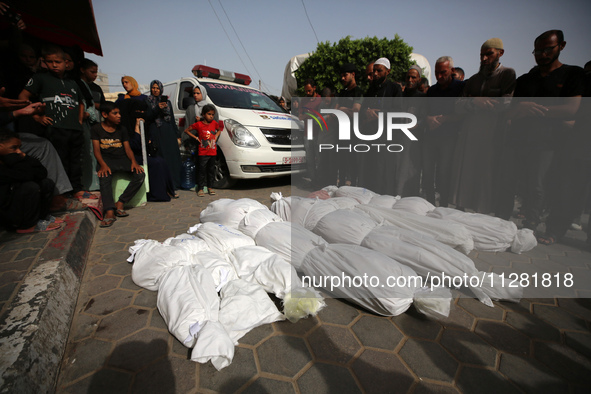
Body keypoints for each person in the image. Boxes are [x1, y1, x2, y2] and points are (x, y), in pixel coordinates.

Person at [508, 30, 584, 242]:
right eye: (537, 51)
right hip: (522, 139)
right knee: (521, 183)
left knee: (539, 185)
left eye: (547, 49)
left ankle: (531, 226)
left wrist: (534, 109)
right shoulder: (525, 80)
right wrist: (522, 108)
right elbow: (512, 112)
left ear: (562, 45)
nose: (542, 54)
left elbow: (571, 109)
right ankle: (511, 221)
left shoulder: (572, 74)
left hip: (552, 143)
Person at [450, 38, 516, 214]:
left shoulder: (507, 75)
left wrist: (476, 103)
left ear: (500, 53)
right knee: (465, 177)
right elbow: (457, 106)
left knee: (486, 179)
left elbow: (506, 103)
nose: (484, 59)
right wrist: (476, 101)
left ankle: (484, 217)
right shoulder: (473, 80)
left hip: (492, 136)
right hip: (469, 135)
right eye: (482, 55)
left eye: (489, 54)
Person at [18, 45, 85, 197]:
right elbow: (22, 98)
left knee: (75, 161)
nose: (54, 65)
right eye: (50, 61)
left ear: (66, 63)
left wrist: (79, 120)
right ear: (44, 62)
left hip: (74, 129)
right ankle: (61, 193)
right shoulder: (40, 78)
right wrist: (36, 116)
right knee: (59, 160)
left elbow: (81, 102)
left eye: (58, 61)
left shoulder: (72, 83)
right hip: (55, 127)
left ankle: (77, 189)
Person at [91, 102, 145, 227]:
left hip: (121, 159)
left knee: (140, 175)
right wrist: (103, 165)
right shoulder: (96, 129)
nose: (119, 116)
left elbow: (128, 149)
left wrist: (134, 162)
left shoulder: (122, 129)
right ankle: (109, 211)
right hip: (106, 160)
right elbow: (96, 150)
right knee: (104, 178)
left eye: (119, 113)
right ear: (105, 114)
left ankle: (120, 203)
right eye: (115, 113)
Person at [423, 56, 465, 207]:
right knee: (427, 173)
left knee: (444, 174)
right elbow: (425, 112)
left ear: (452, 71)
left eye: (443, 72)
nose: (439, 76)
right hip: (431, 137)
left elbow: (464, 113)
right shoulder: (432, 90)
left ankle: (444, 206)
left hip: (449, 138)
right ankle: (429, 204)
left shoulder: (461, 88)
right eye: (436, 73)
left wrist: (445, 118)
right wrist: (429, 119)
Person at [0, 128, 61, 233]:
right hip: (6, 211)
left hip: (16, 204)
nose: (19, 152)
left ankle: (41, 218)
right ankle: (26, 226)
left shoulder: (16, 158)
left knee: (46, 183)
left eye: (19, 147)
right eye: (14, 148)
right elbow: (24, 175)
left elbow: (42, 172)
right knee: (30, 187)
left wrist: (26, 157)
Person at [145, 80, 182, 190]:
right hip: (156, 132)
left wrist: (177, 134)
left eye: (157, 88)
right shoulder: (148, 101)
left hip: (168, 132)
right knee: (161, 158)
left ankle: (174, 184)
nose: (155, 90)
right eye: (153, 88)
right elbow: (148, 118)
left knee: (172, 158)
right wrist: (157, 108)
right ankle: (163, 185)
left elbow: (171, 120)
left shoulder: (168, 102)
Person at [185, 104, 223, 197]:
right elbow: (187, 130)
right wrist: (196, 137)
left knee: (211, 170)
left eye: (212, 114)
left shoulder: (214, 123)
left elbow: (219, 129)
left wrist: (217, 135)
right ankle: (201, 188)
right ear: (203, 114)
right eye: (209, 114)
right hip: (202, 152)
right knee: (201, 170)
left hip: (212, 151)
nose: (211, 116)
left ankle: (210, 187)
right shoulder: (198, 124)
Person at [78, 58, 103, 192]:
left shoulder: (93, 87)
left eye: (96, 72)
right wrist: (88, 113)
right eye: (92, 72)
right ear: (82, 70)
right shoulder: (79, 85)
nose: (95, 75)